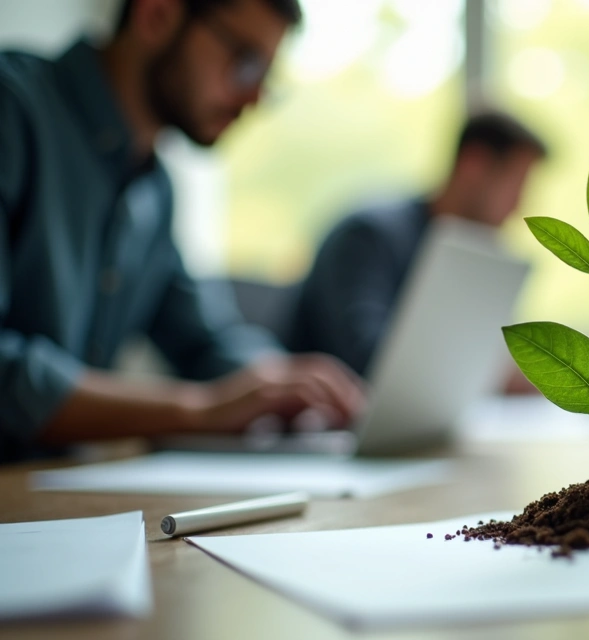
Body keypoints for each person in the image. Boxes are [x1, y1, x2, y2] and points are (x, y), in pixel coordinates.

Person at [0, 0, 364, 463]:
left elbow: (204, 340)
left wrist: (291, 384)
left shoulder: (153, 188)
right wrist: (197, 409)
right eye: (246, 62)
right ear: (157, 16)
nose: (254, 98)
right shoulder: (12, 111)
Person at [290, 112, 547, 377]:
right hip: (328, 414)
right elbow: (369, 360)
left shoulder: (478, 258)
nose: (518, 206)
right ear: (474, 164)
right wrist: (493, 376)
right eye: (516, 184)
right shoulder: (368, 236)